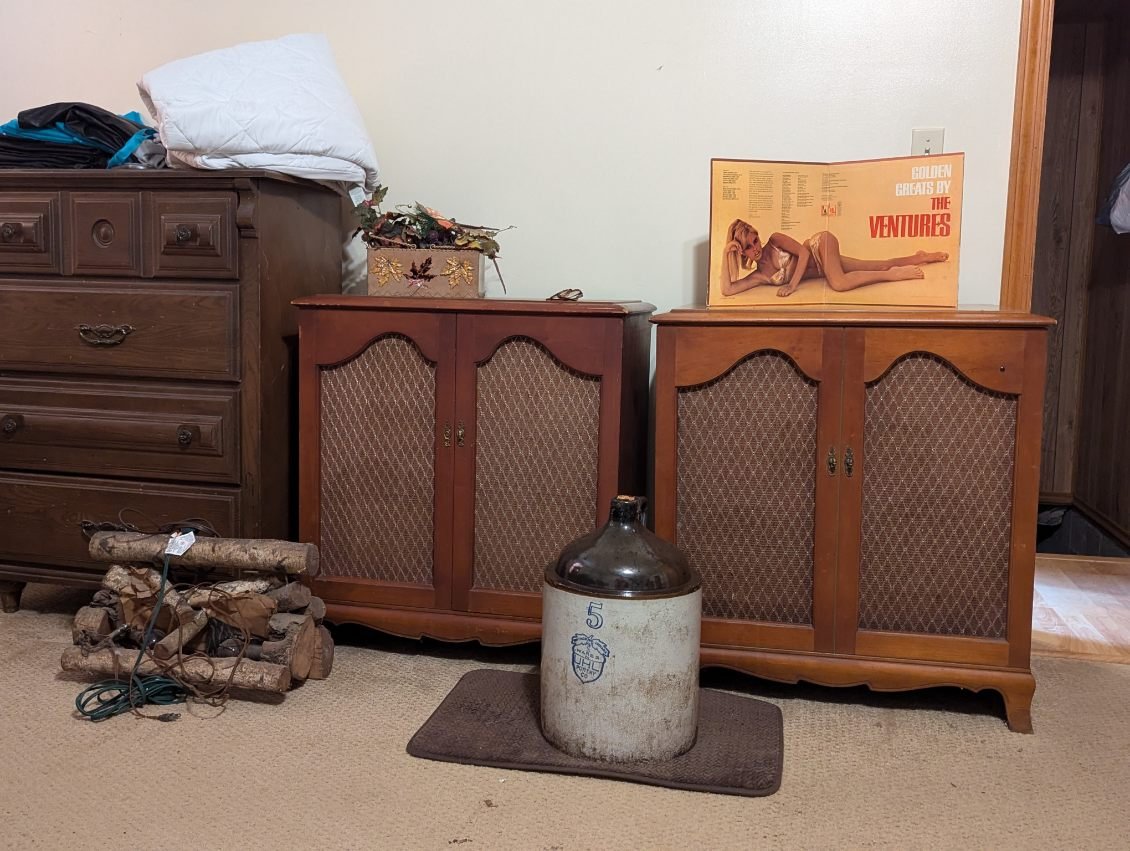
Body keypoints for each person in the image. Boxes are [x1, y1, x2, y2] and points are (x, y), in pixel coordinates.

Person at [719, 219, 949, 297]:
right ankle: (920, 257)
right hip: (823, 268)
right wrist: (725, 253)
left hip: (820, 246)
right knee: (879, 264)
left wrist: (792, 285)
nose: (755, 248)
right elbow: (728, 290)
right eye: (748, 247)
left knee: (838, 283)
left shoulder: (775, 240)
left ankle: (892, 276)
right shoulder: (759, 276)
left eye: (755, 240)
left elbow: (804, 253)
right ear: (741, 252)